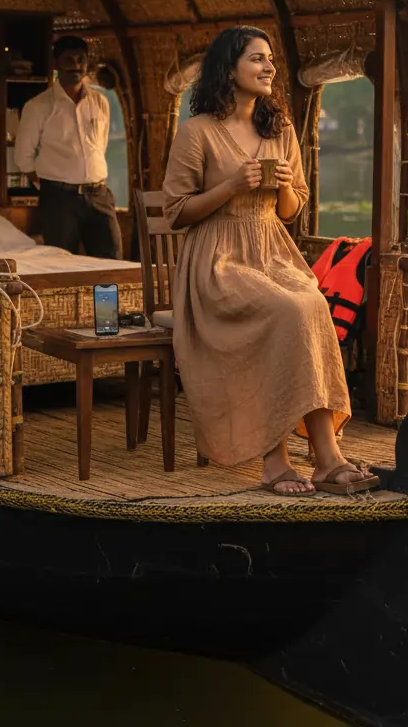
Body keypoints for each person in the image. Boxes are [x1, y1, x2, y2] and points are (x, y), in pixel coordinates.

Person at [162, 26, 379, 496]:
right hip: (217, 260)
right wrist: (230, 187)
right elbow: (176, 213)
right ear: (229, 68)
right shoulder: (196, 133)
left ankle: (327, 458)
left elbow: (291, 208)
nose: (269, 68)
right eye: (257, 59)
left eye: (271, 60)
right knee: (286, 311)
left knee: (311, 305)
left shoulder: (277, 129)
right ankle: (274, 461)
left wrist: (282, 185)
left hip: (272, 250)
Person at [14, 36, 123, 259]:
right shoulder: (38, 107)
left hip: (98, 195)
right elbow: (23, 157)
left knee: (110, 263)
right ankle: (73, 297)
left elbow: (99, 147)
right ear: (56, 64)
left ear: (87, 64)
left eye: (80, 60)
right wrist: (50, 184)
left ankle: (104, 297)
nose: (75, 66)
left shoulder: (100, 101)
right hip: (59, 199)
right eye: (68, 60)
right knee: (62, 264)